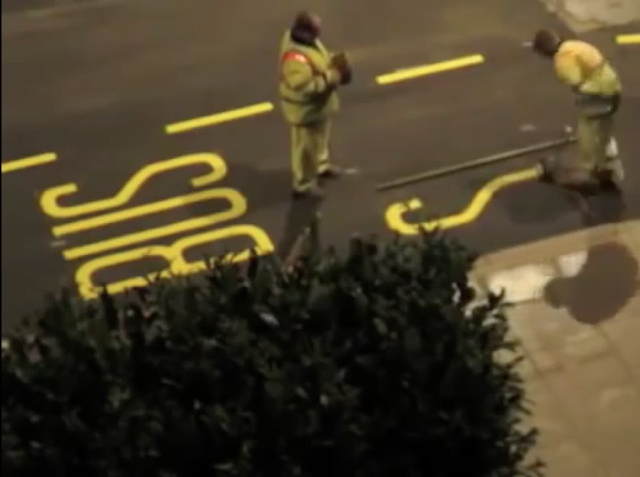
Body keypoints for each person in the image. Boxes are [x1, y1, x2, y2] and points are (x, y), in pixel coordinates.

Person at [531, 29, 623, 190]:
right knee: (604, 126)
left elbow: (574, 80)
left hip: (596, 92)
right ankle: (610, 162)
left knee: (588, 131)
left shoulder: (562, 58)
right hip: (612, 86)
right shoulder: (573, 45)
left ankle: (590, 170)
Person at [278, 11, 353, 199]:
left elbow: (317, 57)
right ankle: (303, 184)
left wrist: (332, 60)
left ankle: (321, 165)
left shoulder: (307, 42)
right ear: (306, 32)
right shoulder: (295, 59)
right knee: (306, 149)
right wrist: (330, 77)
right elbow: (303, 86)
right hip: (306, 110)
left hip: (318, 108)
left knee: (319, 140)